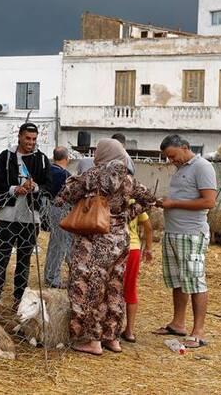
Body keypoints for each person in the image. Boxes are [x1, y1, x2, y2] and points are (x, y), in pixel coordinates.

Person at [55, 138, 157, 355]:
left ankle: (92, 341)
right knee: (114, 289)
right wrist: (125, 214)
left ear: (101, 154)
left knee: (91, 288)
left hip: (95, 240)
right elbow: (150, 199)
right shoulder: (129, 180)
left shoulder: (92, 175)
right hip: (121, 241)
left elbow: (64, 195)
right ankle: (112, 338)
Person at [151, 134, 216, 349]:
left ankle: (198, 331)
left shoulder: (202, 167)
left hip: (192, 233)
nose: (171, 160)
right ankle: (178, 323)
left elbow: (209, 201)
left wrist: (174, 203)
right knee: (178, 280)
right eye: (168, 158)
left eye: (173, 155)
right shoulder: (181, 169)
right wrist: (166, 203)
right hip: (174, 232)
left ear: (185, 147)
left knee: (195, 280)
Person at [0, 122, 52, 306]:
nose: (31, 142)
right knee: (2, 258)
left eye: (34, 139)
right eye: (27, 138)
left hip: (30, 218)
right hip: (8, 216)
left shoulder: (41, 159)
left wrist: (34, 187)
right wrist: (14, 189)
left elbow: (48, 186)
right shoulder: (6, 156)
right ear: (19, 136)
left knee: (24, 261)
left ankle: (19, 300)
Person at [44, 146, 73, 288]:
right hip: (60, 210)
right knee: (59, 244)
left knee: (56, 243)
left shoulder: (47, 170)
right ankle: (52, 278)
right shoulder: (65, 175)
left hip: (46, 210)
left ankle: (50, 275)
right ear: (67, 158)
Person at [121, 211, 153, 343]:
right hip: (134, 248)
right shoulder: (136, 202)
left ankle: (109, 330)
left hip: (115, 247)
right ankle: (129, 331)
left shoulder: (111, 197)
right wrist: (148, 248)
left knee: (113, 289)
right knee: (130, 288)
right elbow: (149, 227)